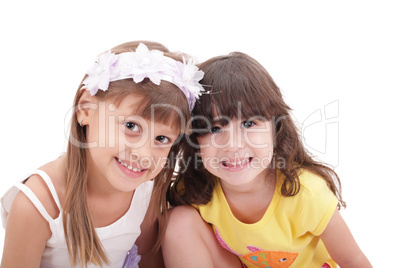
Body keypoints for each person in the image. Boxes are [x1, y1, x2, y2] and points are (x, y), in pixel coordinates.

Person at [1, 41, 204, 267]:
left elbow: (147, 260)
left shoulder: (146, 189)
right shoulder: (39, 203)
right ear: (86, 109)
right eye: (131, 126)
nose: (144, 153)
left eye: (162, 139)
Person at [162, 52, 372, 267]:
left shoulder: (306, 194)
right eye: (214, 128)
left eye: (248, 123)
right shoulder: (196, 191)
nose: (232, 144)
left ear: (276, 129)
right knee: (177, 220)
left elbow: (353, 260)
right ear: (194, 141)